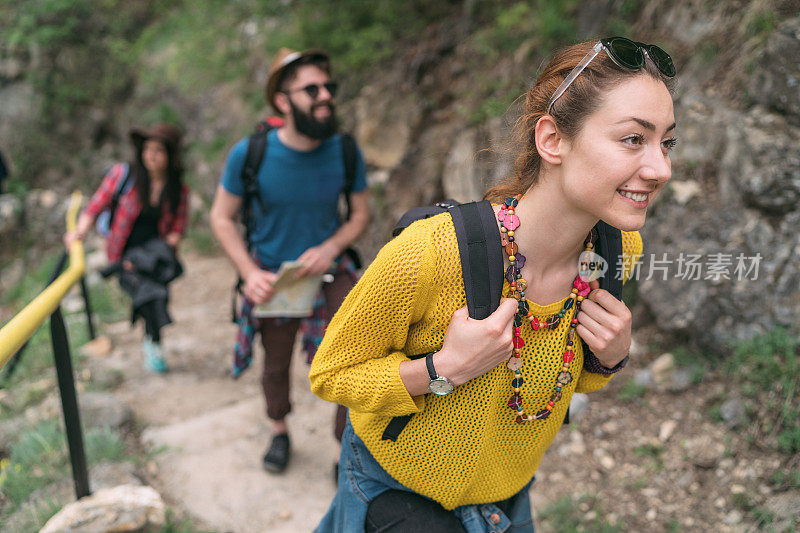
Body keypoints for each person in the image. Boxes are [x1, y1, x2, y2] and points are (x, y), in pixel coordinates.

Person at [309, 37, 676, 532]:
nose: (660, 168)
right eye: (634, 139)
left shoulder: (613, 254)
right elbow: (330, 374)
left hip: (506, 499)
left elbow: (568, 380)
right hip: (394, 487)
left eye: (666, 142)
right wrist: (443, 368)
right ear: (553, 141)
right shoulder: (432, 254)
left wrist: (609, 359)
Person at [210, 48, 370, 474]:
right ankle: (279, 430)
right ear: (283, 100)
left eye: (328, 87)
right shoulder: (251, 153)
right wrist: (249, 274)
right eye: (311, 89)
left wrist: (331, 246)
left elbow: (360, 214)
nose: (325, 97)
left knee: (349, 357)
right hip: (273, 278)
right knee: (275, 361)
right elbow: (221, 218)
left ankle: (343, 449)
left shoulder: (345, 150)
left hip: (330, 272)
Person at [64, 123, 189, 373]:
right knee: (147, 294)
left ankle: (152, 341)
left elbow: (178, 227)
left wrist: (154, 253)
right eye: (147, 149)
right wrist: (79, 231)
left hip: (155, 255)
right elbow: (96, 205)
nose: (150, 156)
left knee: (157, 295)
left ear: (170, 156)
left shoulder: (177, 189)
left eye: (158, 151)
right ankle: (153, 343)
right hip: (123, 254)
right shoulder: (125, 176)